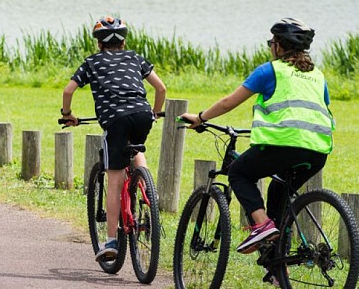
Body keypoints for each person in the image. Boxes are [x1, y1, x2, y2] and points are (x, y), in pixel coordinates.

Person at [180, 18, 333, 258]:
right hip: (318, 150)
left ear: (279, 46)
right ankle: (276, 262)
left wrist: (201, 117)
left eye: (271, 42)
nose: (270, 46)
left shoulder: (270, 70)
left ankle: (261, 225)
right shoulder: (317, 75)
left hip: (284, 144)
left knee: (239, 173)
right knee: (279, 191)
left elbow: (229, 102)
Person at [60, 17, 166, 262]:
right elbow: (161, 88)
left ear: (99, 44)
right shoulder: (135, 58)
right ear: (124, 41)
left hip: (116, 120)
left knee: (115, 179)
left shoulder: (92, 62)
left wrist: (68, 115)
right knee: (136, 145)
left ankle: (111, 242)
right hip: (142, 114)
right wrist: (156, 113)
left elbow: (68, 91)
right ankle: (149, 192)